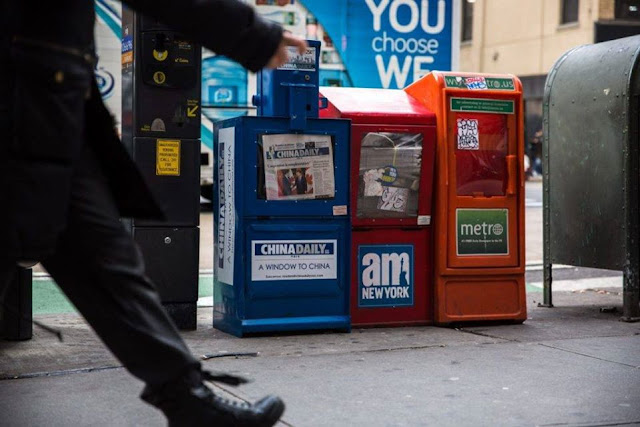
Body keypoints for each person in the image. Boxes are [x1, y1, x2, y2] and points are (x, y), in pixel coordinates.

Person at [0, 1, 307, 425]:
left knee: (105, 256)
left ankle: (187, 397)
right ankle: (187, 397)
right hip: (26, 96)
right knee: (101, 255)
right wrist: (249, 34)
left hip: (47, 98)